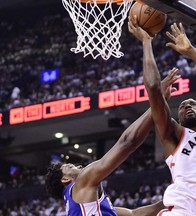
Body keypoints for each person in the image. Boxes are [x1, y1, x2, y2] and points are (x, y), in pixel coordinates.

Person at [128, 19, 196, 216]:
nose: (187, 106)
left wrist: (191, 51)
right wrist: (146, 42)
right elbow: (152, 88)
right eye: (182, 107)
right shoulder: (174, 136)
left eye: (193, 104)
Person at [45, 70, 180, 216]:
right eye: (70, 166)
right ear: (66, 179)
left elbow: (135, 214)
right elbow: (127, 143)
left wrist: (176, 193)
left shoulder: (86, 206)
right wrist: (157, 101)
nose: (78, 166)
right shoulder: (82, 181)